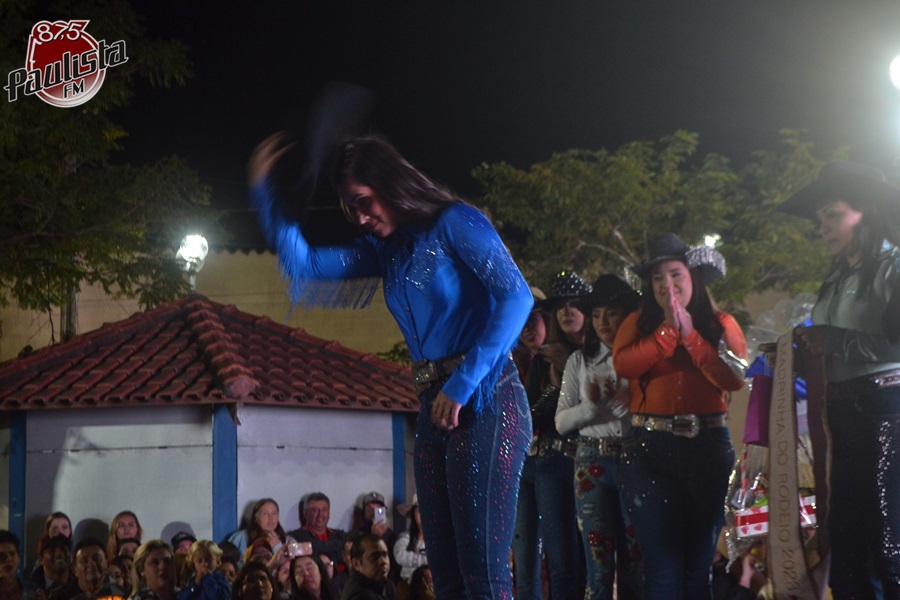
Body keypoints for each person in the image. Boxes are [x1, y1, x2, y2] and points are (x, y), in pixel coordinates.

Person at [249, 134, 532, 600]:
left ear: (390, 183)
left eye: (363, 201)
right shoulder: (389, 250)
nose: (360, 217)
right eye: (351, 208)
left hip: (487, 399)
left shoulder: (455, 222)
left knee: (482, 574)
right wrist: (265, 193)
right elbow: (308, 264)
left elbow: (517, 297)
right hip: (435, 406)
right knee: (447, 578)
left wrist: (463, 383)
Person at [781, 160, 900, 597]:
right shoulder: (835, 279)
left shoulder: (893, 267)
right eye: (819, 219)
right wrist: (795, 353)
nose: (823, 227)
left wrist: (832, 339)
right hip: (841, 414)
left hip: (887, 413)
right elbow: (826, 344)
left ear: (866, 212)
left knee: (889, 539)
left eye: (833, 214)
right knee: (847, 542)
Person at [612, 233, 747, 600]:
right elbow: (624, 365)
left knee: (698, 567)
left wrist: (691, 335)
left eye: (675, 275)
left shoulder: (721, 323)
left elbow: (734, 378)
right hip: (648, 449)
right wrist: (667, 332)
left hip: (707, 447)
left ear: (694, 279)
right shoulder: (638, 323)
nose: (666, 285)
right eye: (658, 278)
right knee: (661, 570)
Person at [555, 274, 643, 600]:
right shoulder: (579, 361)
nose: (602, 322)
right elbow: (561, 422)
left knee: (637, 561)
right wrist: (590, 408)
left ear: (628, 315)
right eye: (595, 314)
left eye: (611, 313)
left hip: (635, 458)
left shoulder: (642, 359)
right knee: (598, 565)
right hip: (591, 460)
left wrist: (633, 405)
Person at [513, 271, 590, 600]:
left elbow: (604, 407)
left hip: (590, 461)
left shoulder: (600, 355)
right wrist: (558, 384)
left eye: (574, 304)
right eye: (561, 306)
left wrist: (572, 369)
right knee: (557, 562)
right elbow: (531, 417)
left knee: (590, 561)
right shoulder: (543, 361)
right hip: (550, 460)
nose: (567, 311)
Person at [288, 494, 347, 575]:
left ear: (329, 513)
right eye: (315, 510)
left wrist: (317, 550)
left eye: (324, 510)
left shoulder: (339, 535)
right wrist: (339, 546)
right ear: (305, 514)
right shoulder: (295, 537)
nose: (320, 514)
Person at [229, 500, 292, 568]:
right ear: (255, 518)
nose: (270, 518)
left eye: (274, 513)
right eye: (265, 514)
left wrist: (277, 548)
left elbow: (291, 568)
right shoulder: (240, 537)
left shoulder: (288, 541)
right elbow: (228, 564)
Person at [340, 535, 394, 600]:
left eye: (385, 555)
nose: (383, 562)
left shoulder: (386, 585)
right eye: (374, 556)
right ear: (356, 564)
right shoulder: (360, 596)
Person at [392, 496, 425, 583]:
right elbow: (399, 555)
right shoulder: (406, 537)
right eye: (419, 511)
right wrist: (425, 560)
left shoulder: (438, 540)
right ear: (413, 514)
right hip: (409, 585)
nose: (423, 515)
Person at [0, 530, 39, 600]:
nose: (8, 559)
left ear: (19, 557)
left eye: (12, 554)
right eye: (1, 556)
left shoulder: (32, 590)